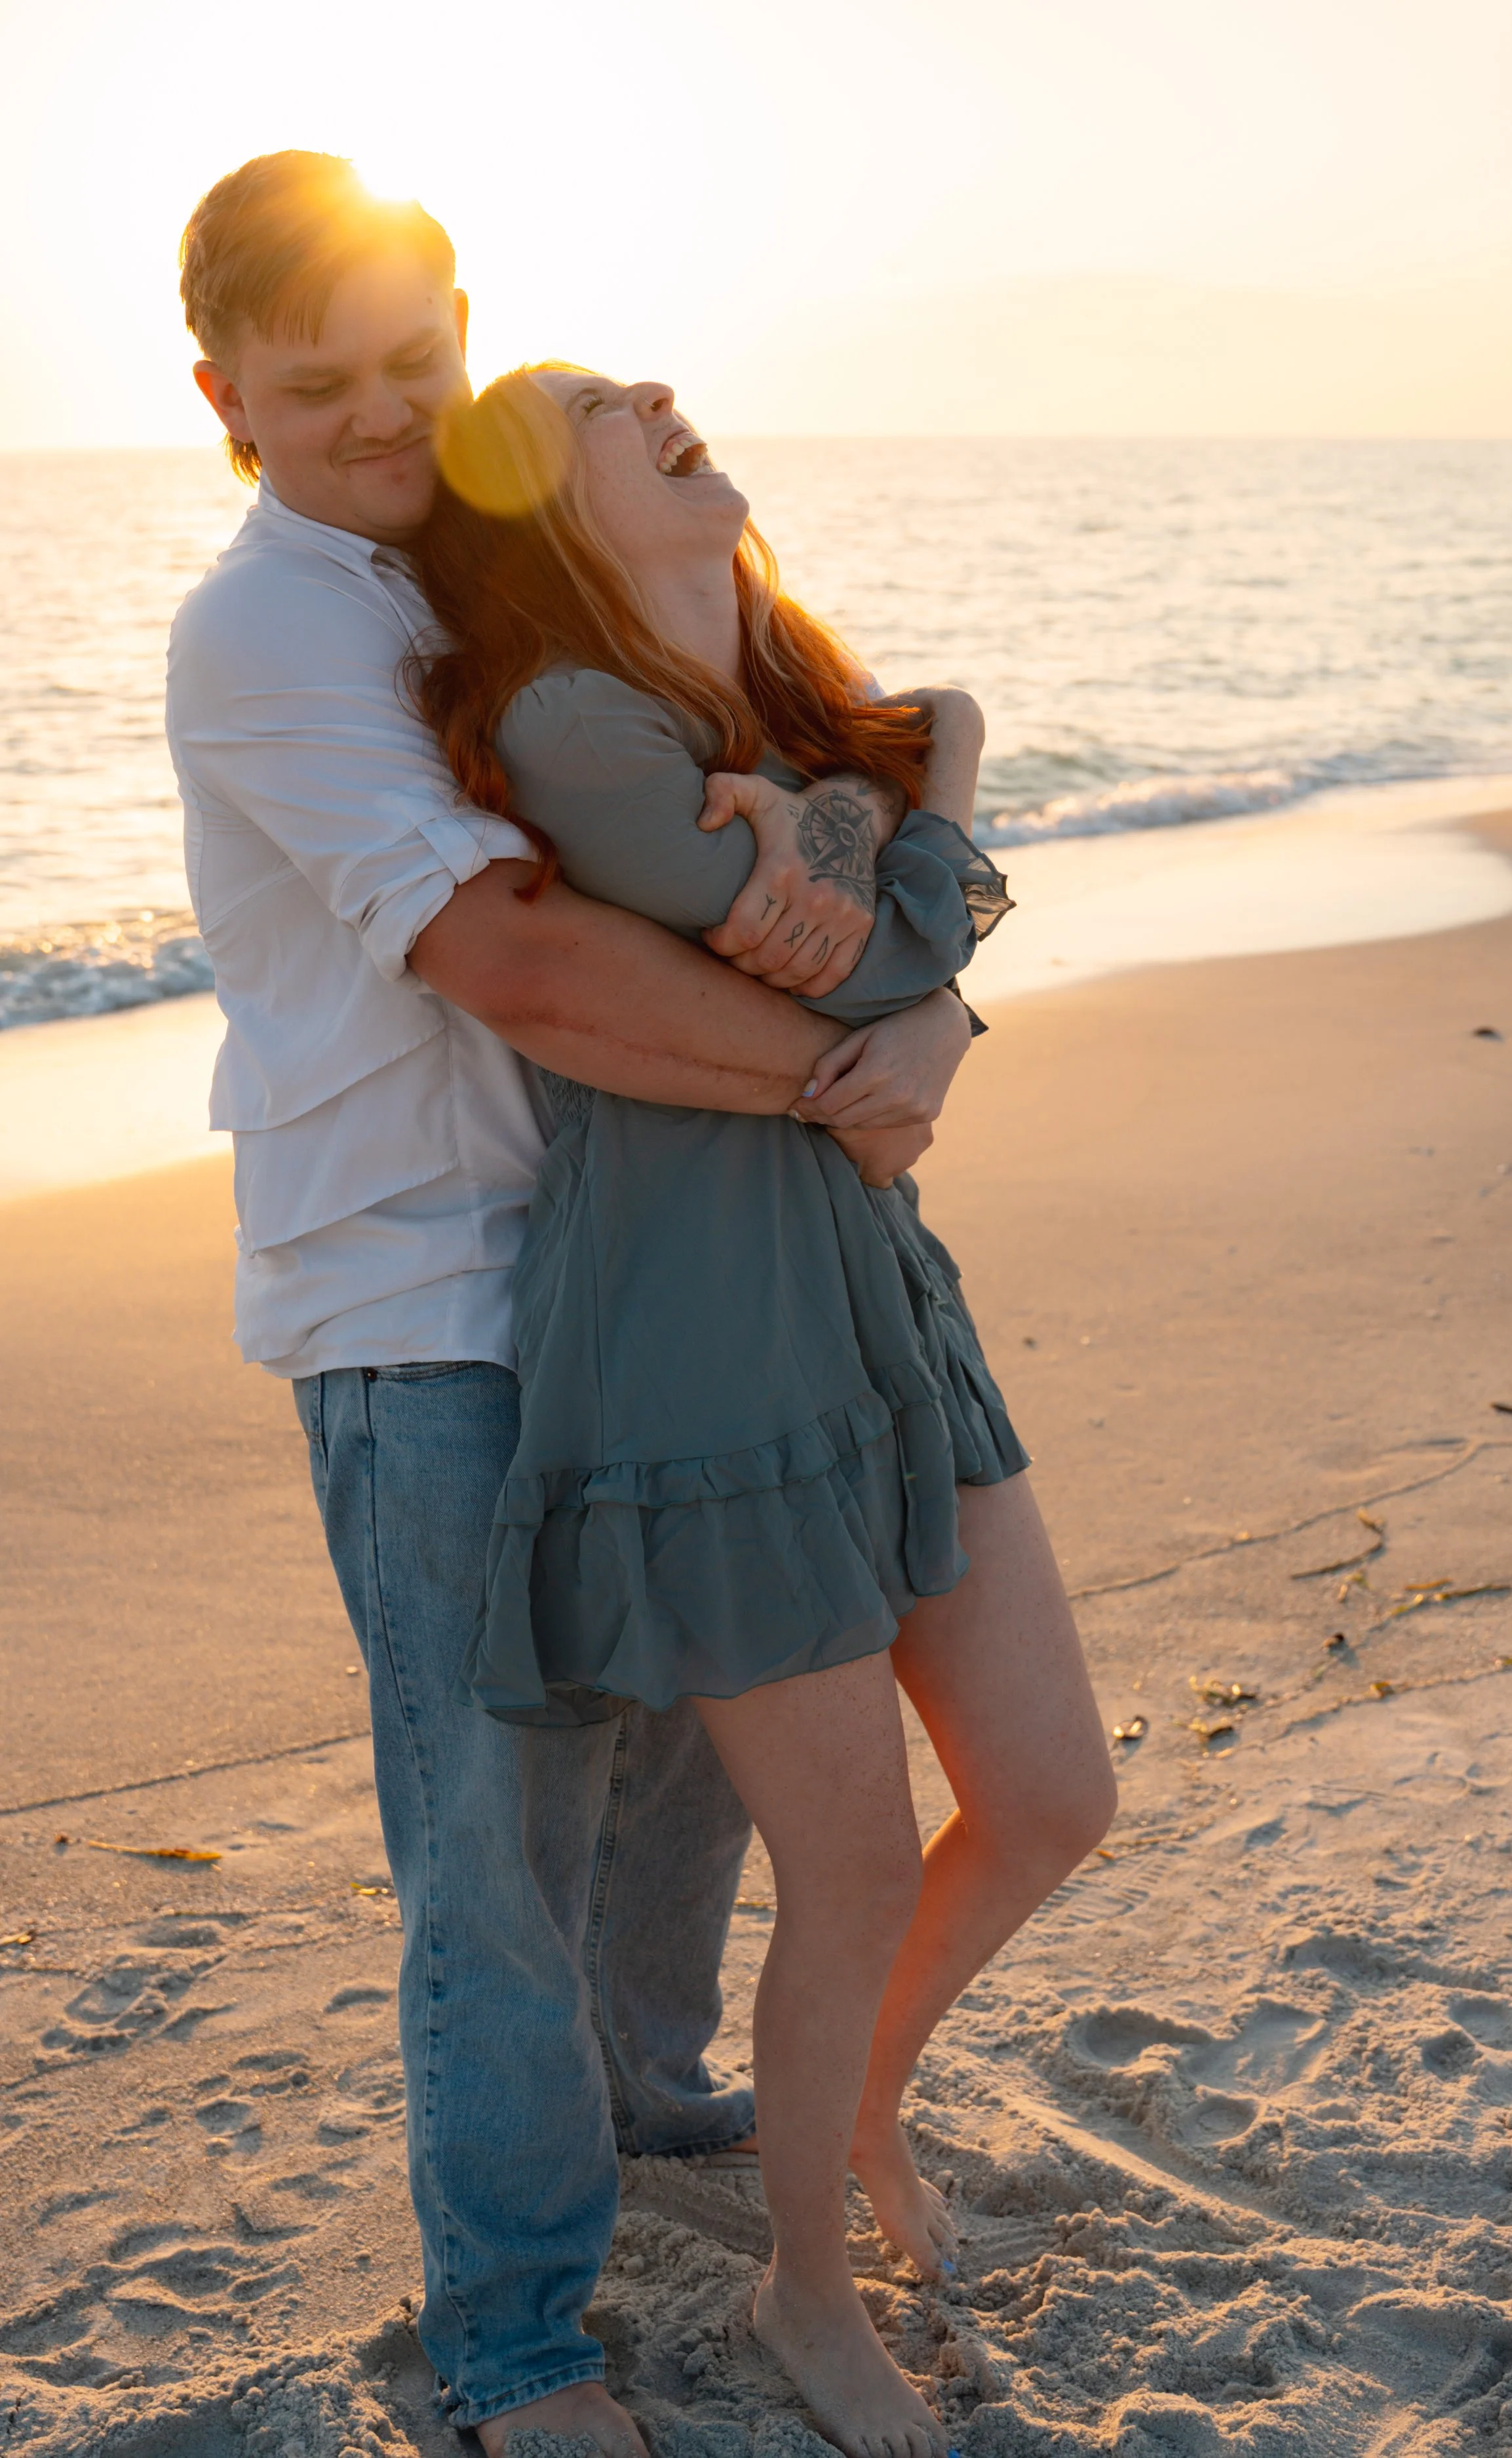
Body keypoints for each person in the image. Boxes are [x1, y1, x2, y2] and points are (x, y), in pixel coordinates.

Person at [166, 151, 975, 2458]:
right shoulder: (278, 628)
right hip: (421, 1299)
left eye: (415, 361)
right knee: (494, 1844)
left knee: (674, 1775)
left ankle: (641, 2094)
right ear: (225, 398)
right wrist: (857, 1078)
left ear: (460, 326)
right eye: (315, 386)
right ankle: (516, 2331)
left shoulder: (497, 571)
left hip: (632, 1267)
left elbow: (818, 798)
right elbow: (514, 955)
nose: (381, 414)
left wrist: (903, 985)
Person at [410, 366, 1119, 2458]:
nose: (655, 397)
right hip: (698, 1343)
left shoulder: (790, 721)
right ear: (544, 516)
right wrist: (936, 794)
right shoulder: (572, 722)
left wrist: (914, 785)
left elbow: (896, 965)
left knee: (1052, 1792)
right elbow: (847, 978)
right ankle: (809, 2282)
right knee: (852, 1861)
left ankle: (855, 2104)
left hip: (878, 1300)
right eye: (593, 409)